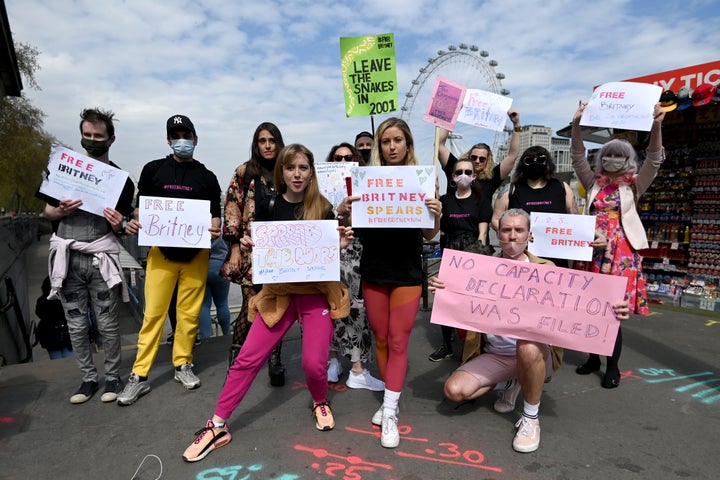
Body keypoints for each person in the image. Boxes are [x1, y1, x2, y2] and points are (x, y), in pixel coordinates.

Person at [182, 144, 354, 462]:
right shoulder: (270, 203)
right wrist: (250, 244)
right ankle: (217, 424)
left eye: (303, 167)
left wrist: (340, 245)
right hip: (280, 294)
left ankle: (319, 401)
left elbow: (328, 254)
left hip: (316, 293)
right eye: (290, 168)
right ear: (282, 172)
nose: (297, 174)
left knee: (314, 363)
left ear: (311, 171)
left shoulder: (324, 206)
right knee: (248, 358)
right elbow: (263, 248)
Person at [432, 208, 630, 453]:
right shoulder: (481, 269)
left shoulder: (548, 270)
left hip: (536, 354)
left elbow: (581, 303)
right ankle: (512, 382)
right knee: (454, 391)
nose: (512, 236)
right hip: (496, 355)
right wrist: (445, 288)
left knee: (526, 343)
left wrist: (612, 308)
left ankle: (530, 418)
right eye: (506, 230)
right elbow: (462, 306)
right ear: (498, 235)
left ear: (529, 235)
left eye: (518, 230)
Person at [339, 117, 442, 448]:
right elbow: (356, 229)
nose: (392, 146)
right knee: (381, 341)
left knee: (399, 342)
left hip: (408, 273)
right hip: (374, 272)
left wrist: (436, 212)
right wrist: (345, 212)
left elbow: (428, 234)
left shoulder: (422, 180)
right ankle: (389, 399)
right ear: (378, 147)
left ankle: (391, 410)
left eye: (398, 140)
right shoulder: (367, 181)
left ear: (408, 145)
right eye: (385, 141)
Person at [118, 114, 222, 405]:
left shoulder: (207, 176)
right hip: (160, 255)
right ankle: (139, 376)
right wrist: (134, 220)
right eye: (176, 135)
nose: (182, 141)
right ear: (168, 140)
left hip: (196, 255)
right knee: (153, 315)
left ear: (196, 139)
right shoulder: (153, 170)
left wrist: (215, 228)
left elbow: (215, 213)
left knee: (188, 315)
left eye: (186, 135)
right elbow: (141, 210)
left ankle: (182, 364)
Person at [570, 101, 666, 388]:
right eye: (608, 154)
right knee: (590, 306)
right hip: (592, 250)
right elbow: (577, 157)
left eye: (619, 155)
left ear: (628, 161)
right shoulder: (593, 182)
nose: (612, 159)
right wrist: (576, 126)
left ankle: (613, 365)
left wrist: (657, 125)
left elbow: (655, 159)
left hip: (621, 252)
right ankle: (592, 358)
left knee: (613, 309)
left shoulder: (634, 184)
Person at [44, 107, 135, 404]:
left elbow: (123, 224)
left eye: (98, 136)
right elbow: (48, 210)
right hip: (68, 256)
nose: (92, 140)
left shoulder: (122, 180)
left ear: (111, 139)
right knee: (76, 323)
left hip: (100, 255)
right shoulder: (60, 168)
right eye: (87, 135)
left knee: (108, 322)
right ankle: (87, 379)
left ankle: (112, 376)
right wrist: (61, 210)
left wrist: (117, 222)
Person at [223, 122, 287, 386]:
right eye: (262, 141)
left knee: (277, 308)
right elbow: (232, 209)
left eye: (272, 140)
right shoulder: (244, 172)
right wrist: (235, 248)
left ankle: (274, 360)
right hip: (252, 251)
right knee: (250, 308)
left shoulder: (286, 171)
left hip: (282, 252)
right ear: (256, 144)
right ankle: (236, 364)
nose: (268, 145)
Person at [324, 143, 383, 391]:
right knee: (331, 307)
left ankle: (357, 367)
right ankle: (334, 361)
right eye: (338, 157)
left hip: (358, 251)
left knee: (355, 308)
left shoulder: (365, 186)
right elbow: (317, 221)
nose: (344, 160)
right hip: (330, 251)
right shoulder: (321, 189)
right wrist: (338, 213)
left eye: (349, 157)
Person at [428, 157, 492, 362]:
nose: (463, 175)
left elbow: (483, 232)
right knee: (445, 299)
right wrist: (433, 193)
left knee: (472, 301)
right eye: (458, 172)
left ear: (474, 176)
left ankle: (473, 345)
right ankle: (446, 344)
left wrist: (478, 258)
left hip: (473, 251)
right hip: (450, 250)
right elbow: (436, 225)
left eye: (467, 171)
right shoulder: (445, 201)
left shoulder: (481, 201)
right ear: (453, 177)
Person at [491, 145, 578, 267]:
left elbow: (576, 219)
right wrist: (516, 234)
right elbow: (495, 219)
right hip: (521, 255)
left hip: (555, 255)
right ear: (523, 164)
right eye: (529, 160)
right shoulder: (511, 189)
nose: (535, 163)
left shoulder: (562, 187)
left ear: (547, 162)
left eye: (541, 159)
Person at [437, 110, 521, 218]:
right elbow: (439, 146)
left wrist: (516, 125)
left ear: (487, 162)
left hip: (479, 233)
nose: (477, 161)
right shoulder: (456, 169)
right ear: (468, 156)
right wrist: (454, 112)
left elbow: (512, 156)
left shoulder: (492, 177)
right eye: (474, 157)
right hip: (451, 232)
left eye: (482, 159)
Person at [198, 235, 231, 339]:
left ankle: (206, 338)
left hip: (201, 264)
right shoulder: (222, 220)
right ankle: (227, 335)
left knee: (204, 305)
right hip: (221, 263)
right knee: (222, 303)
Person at [34, 276, 74, 359]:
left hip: (51, 336)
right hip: (67, 334)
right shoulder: (66, 299)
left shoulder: (42, 300)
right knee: (69, 360)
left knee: (56, 360)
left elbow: (39, 313)